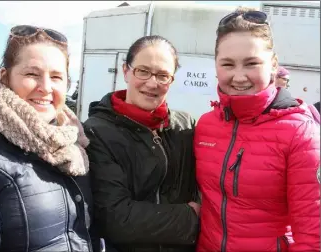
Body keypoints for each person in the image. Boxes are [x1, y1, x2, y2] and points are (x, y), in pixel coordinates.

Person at [194, 8, 320, 252]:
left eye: (251, 64)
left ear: (273, 65)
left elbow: (313, 236)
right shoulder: (206, 126)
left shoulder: (301, 133)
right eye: (228, 64)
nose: (239, 77)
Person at [0, 25, 99, 251]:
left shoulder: (70, 140)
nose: (45, 87)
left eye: (56, 77)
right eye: (31, 74)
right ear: (5, 78)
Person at [83, 35, 200, 252]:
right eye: (143, 71)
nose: (152, 83)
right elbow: (116, 218)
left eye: (163, 75)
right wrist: (190, 217)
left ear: (172, 80)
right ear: (126, 71)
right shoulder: (97, 131)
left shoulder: (185, 126)